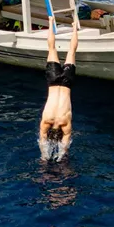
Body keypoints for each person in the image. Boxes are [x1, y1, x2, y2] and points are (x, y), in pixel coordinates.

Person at [39, 20, 79, 160]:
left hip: (67, 83)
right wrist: (43, 155)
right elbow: (43, 139)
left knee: (72, 51)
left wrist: (59, 156)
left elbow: (65, 144)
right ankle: (51, 22)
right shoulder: (46, 121)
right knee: (52, 48)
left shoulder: (65, 123)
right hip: (53, 81)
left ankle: (74, 28)